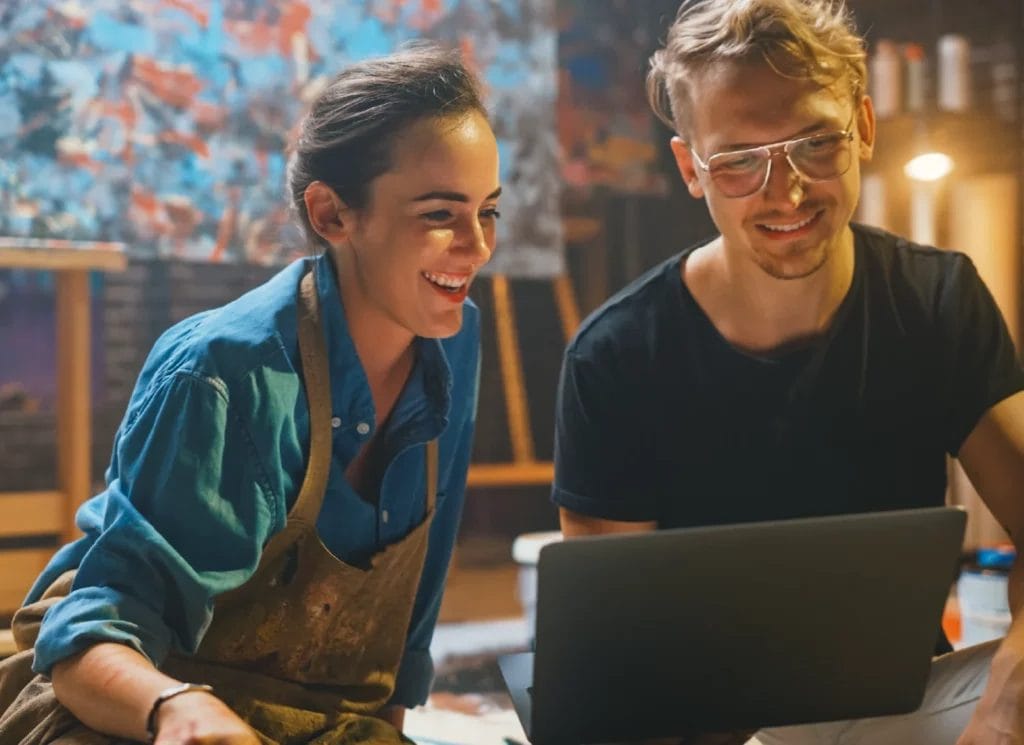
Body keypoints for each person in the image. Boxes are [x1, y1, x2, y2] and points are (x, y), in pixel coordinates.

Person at [0, 43, 501, 744]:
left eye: (489, 212)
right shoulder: (225, 372)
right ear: (330, 214)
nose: (477, 246)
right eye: (440, 215)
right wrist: (179, 708)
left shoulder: (455, 339)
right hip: (129, 713)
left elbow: (403, 633)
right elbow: (83, 647)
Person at [551, 1, 1024, 743]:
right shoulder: (615, 357)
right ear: (690, 169)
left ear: (864, 127)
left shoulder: (936, 298)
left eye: (814, 142)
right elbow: (615, 658)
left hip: (902, 706)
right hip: (705, 724)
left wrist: (1001, 714)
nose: (787, 189)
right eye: (739, 161)